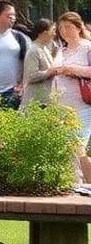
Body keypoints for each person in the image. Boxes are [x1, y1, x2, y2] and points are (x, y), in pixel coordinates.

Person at [40, 13, 91, 181]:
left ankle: (85, 182)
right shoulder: (61, 50)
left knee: (78, 146)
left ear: (78, 27)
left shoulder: (87, 48)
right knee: (65, 147)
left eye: (68, 27)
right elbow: (54, 72)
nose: (64, 31)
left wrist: (73, 69)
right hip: (61, 106)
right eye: (61, 28)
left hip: (82, 106)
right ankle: (74, 182)